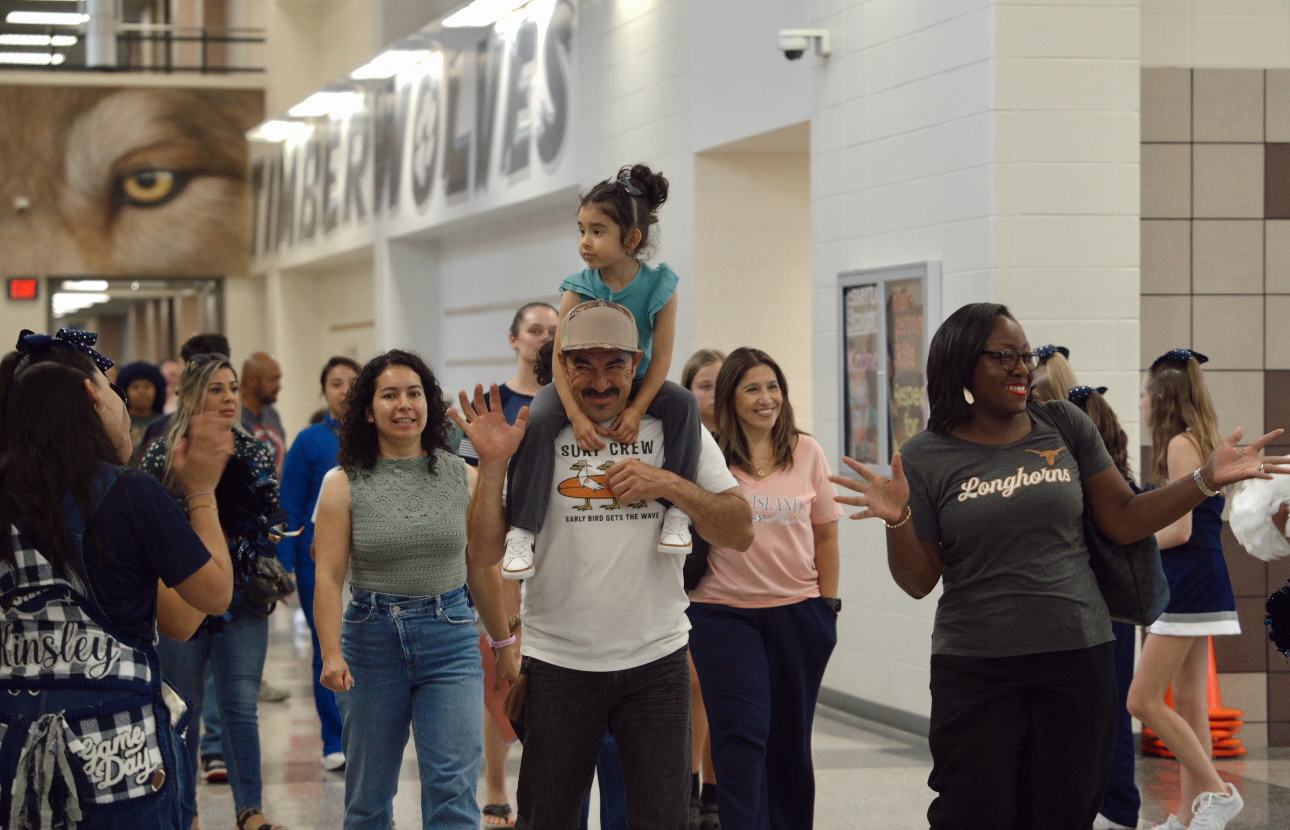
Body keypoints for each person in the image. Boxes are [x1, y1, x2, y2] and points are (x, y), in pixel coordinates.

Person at [829, 303, 1286, 830]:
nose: (1020, 367)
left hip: (1077, 655)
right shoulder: (926, 455)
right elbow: (918, 581)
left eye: (1023, 355)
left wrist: (1203, 480)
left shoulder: (1063, 424)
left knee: (1063, 812)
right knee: (970, 812)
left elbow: (1123, 517)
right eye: (1003, 356)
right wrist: (899, 518)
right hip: (976, 665)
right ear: (961, 363)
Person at [453, 299, 754, 830]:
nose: (598, 381)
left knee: (660, 821)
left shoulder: (674, 426)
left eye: (613, 363)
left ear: (638, 362)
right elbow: (483, 554)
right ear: (561, 365)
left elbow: (739, 529)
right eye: (582, 364)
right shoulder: (534, 427)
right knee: (547, 819)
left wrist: (669, 485)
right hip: (556, 663)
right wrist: (495, 466)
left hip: (655, 663)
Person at [0, 328, 233, 830]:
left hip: (12, 756)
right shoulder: (130, 493)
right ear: (91, 395)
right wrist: (201, 492)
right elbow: (211, 597)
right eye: (112, 389)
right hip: (119, 757)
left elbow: (179, 619)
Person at [313, 350, 518, 830]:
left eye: (414, 393)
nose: (403, 405)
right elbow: (328, 576)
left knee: (452, 789)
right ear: (368, 409)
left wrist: (504, 643)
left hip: (449, 641)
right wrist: (329, 654)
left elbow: (483, 570)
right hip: (370, 641)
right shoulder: (341, 484)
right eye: (389, 395)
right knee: (368, 794)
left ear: (429, 403)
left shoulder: (462, 476)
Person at [501, 165, 703, 579]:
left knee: (683, 402)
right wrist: (574, 415)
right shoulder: (579, 285)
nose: (585, 243)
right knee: (538, 417)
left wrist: (635, 410)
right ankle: (522, 530)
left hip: (635, 381)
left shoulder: (661, 285)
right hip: (577, 385)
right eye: (581, 231)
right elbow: (558, 356)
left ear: (631, 239)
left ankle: (677, 513)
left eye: (597, 231)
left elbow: (661, 357)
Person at [687, 347, 841, 830]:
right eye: (752, 388)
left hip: (800, 612)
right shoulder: (707, 455)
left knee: (790, 740)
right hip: (722, 614)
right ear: (731, 397)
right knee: (742, 736)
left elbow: (826, 533)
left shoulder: (806, 450)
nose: (766, 398)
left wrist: (827, 606)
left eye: (773, 387)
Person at [139, 353, 286, 830]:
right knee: (184, 707)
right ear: (190, 396)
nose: (227, 398)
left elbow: (269, 521)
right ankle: (186, 811)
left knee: (241, 706)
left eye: (231, 388)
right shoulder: (164, 453)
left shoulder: (255, 450)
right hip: (184, 595)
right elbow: (150, 527)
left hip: (243, 599)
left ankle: (250, 809)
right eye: (215, 389)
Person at [1126, 349, 1246, 830]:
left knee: (1142, 700)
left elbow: (1177, 532)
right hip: (1203, 580)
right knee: (1191, 701)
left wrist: (1127, 538)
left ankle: (1216, 791)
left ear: (1160, 396)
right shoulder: (1199, 440)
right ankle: (1189, 815)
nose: (1139, 404)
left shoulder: (1179, 444)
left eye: (1141, 394)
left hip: (1187, 585)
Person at [455, 303, 558, 828]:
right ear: (514, 338)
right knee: (501, 667)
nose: (543, 339)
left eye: (552, 332)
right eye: (535, 330)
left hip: (555, 556)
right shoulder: (497, 404)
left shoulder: (567, 403)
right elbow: (473, 498)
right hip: (502, 560)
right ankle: (495, 785)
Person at [277, 355, 361, 772]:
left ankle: (364, 734)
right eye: (335, 383)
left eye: (353, 382)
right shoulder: (309, 441)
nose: (345, 390)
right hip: (318, 564)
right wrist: (284, 568)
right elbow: (289, 508)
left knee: (367, 651)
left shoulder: (382, 438)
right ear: (323, 391)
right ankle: (334, 739)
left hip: (370, 564)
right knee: (328, 649)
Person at [1065, 384, 1143, 830]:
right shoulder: (1112, 485)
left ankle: (1116, 809)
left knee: (1108, 717)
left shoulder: (1099, 493)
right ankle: (1113, 808)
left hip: (1103, 614)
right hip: (1103, 613)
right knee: (1105, 717)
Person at [680, 347, 725, 829]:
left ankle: (714, 791)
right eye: (704, 385)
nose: (714, 394)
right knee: (693, 685)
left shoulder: (746, 441)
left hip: (733, 581)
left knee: (717, 692)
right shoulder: (681, 439)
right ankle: (691, 787)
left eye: (721, 383)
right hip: (689, 580)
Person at [240, 351, 286, 475]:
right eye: (273, 379)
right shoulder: (233, 417)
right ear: (251, 380)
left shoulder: (271, 414)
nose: (278, 386)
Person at [116, 360, 167, 450]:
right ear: (125, 392)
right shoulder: (118, 424)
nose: (141, 391)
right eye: (135, 387)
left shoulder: (166, 424)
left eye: (147, 387)